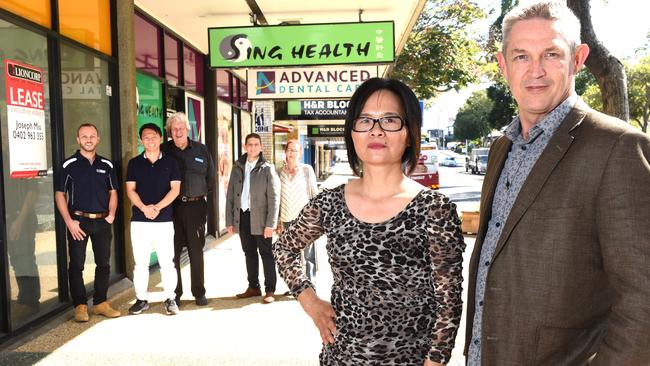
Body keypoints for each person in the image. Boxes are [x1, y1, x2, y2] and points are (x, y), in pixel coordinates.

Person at [465, 2, 650, 365]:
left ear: (578, 58)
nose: (536, 71)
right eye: (521, 56)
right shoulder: (500, 148)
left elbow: (643, 299)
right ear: (503, 65)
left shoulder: (619, 147)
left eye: (551, 54)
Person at [273, 78, 466, 365]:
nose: (376, 130)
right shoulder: (329, 203)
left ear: (410, 133)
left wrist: (435, 361)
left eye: (390, 120)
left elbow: (448, 302)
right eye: (364, 120)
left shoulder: (434, 209)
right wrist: (309, 301)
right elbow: (284, 248)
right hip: (342, 357)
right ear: (352, 133)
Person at [54, 123, 120, 322]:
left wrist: (112, 215)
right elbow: (59, 195)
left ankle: (100, 303)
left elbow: (113, 192)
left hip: (102, 221)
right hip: (78, 222)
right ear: (78, 139)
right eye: (84, 136)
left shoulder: (107, 165)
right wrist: (69, 222)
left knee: (104, 263)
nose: (88, 139)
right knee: (76, 265)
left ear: (98, 139)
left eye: (92, 136)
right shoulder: (68, 165)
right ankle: (80, 306)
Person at [125, 123, 181, 316]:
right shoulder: (134, 163)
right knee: (140, 263)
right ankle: (141, 299)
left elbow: (175, 189)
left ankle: (170, 298)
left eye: (154, 136)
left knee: (167, 262)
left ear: (160, 138)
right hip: (140, 221)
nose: (150, 140)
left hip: (164, 220)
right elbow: (130, 190)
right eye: (146, 137)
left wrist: (156, 207)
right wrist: (143, 208)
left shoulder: (171, 162)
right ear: (141, 140)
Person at [161, 112, 215, 307]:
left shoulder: (201, 150)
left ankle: (199, 292)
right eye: (174, 129)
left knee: (196, 251)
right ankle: (176, 293)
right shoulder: (163, 151)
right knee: (172, 253)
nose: (178, 132)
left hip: (196, 206)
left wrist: (198, 197)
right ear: (169, 132)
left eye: (181, 128)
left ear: (187, 130)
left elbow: (210, 180)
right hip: (171, 208)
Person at [225, 133, 280, 304]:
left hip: (261, 219)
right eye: (250, 144)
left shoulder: (267, 168)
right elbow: (230, 196)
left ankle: (270, 289)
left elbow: (274, 198)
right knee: (249, 253)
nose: (253, 147)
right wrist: (229, 220)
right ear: (245, 146)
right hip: (242, 216)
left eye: (256, 144)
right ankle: (253, 287)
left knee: (266, 253)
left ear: (261, 147)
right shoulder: (237, 166)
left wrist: (271, 224)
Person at [276, 139, 319, 288]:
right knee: (291, 255)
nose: (292, 153)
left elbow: (314, 195)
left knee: (308, 255)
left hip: (305, 220)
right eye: (290, 150)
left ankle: (310, 283)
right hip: (287, 219)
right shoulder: (278, 172)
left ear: (300, 153)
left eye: (295, 150)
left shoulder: (307, 170)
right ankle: (296, 285)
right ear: (285, 152)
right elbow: (276, 199)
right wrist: (278, 221)